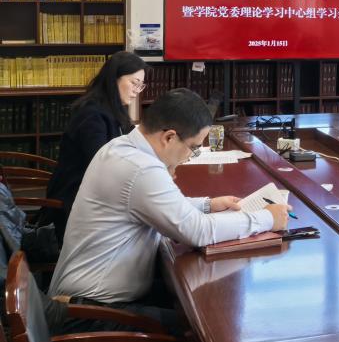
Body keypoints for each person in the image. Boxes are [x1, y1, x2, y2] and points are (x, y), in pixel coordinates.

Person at [49, 88, 290, 329]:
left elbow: (155, 205)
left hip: (89, 300)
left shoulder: (120, 147)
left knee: (196, 304)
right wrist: (266, 219)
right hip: (89, 316)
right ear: (169, 137)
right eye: (193, 147)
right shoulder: (142, 168)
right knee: (205, 327)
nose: (191, 156)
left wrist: (208, 205)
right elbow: (198, 231)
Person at [41, 50, 149, 243]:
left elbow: (135, 140)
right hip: (76, 199)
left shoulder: (114, 110)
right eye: (134, 83)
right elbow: (101, 162)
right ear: (113, 79)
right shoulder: (92, 114)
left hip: (96, 191)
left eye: (140, 85)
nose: (137, 90)